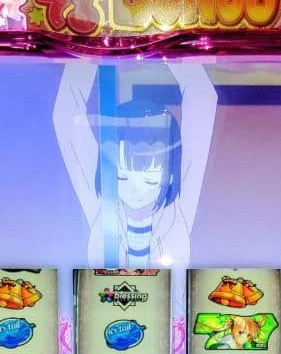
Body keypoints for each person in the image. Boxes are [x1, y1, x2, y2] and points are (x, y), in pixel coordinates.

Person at [53, 62, 217, 267]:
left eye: (150, 181)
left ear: (170, 177)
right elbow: (66, 113)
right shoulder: (103, 206)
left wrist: (164, 46)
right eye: (122, 178)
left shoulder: (177, 209)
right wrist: (89, 49)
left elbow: (202, 98)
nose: (136, 192)